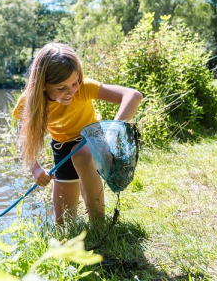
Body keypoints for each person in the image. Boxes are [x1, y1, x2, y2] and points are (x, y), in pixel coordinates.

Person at [13, 43, 143, 224]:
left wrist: (111, 134)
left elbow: (133, 96)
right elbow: (23, 140)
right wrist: (35, 169)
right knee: (64, 224)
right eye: (61, 88)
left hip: (93, 141)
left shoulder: (83, 87)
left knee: (81, 154)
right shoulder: (28, 101)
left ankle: (98, 226)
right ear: (43, 85)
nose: (71, 92)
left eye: (74, 83)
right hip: (62, 148)